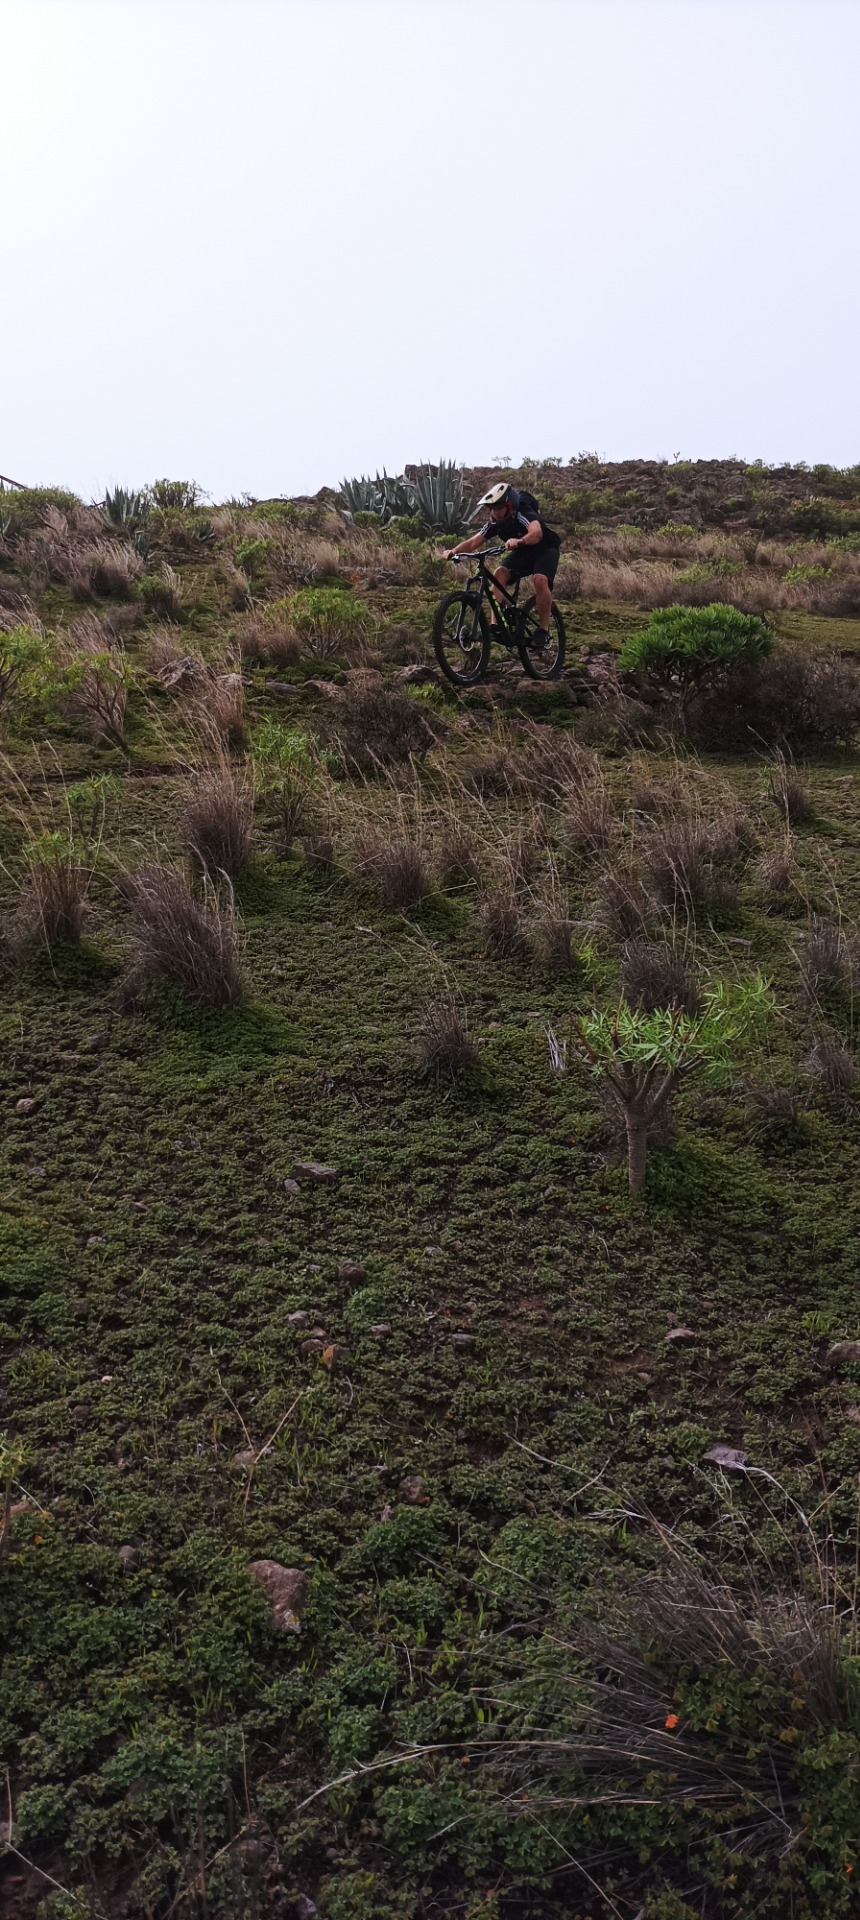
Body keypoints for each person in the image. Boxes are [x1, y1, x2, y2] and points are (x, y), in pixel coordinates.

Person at [443, 481, 562, 648]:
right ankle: (495, 626)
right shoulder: (494, 523)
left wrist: (520, 541)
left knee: (540, 580)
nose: (496, 513)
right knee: (499, 573)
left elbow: (537, 533)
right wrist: (453, 552)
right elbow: (473, 542)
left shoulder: (523, 513)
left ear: (509, 506)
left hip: (545, 549)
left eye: (499, 508)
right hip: (523, 553)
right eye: (492, 509)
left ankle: (543, 630)